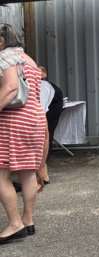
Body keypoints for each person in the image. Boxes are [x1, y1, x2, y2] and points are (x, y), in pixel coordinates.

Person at [0, 23, 46, 243]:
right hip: (34, 118)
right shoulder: (29, 59)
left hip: (14, 120)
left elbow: (10, 88)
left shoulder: (5, 57)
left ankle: (14, 224)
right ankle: (27, 220)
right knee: (27, 173)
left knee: (1, 174)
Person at [37, 66, 64, 185]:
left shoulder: (39, 89)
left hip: (54, 100)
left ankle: (43, 172)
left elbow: (44, 133)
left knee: (44, 131)